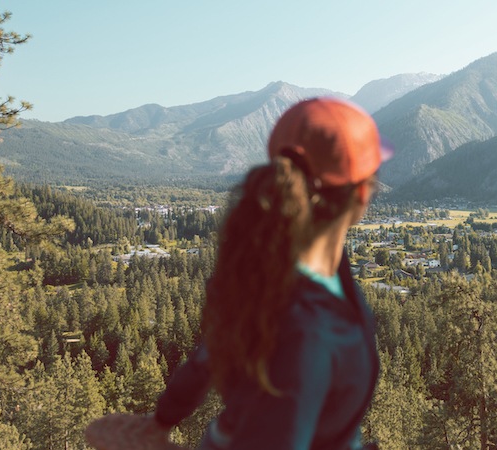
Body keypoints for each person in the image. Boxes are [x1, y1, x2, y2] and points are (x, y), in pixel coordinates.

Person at [150, 97, 389, 449]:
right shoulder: (311, 332)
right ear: (362, 195)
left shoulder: (282, 271)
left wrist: (164, 417)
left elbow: (210, 352)